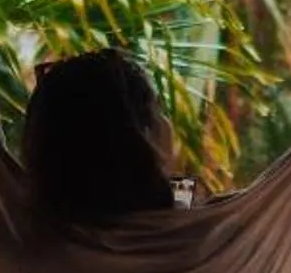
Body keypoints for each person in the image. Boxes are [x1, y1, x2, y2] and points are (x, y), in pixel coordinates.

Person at [20, 49, 185, 219]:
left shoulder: (24, 231)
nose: (166, 122)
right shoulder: (196, 234)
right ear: (140, 140)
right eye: (157, 109)